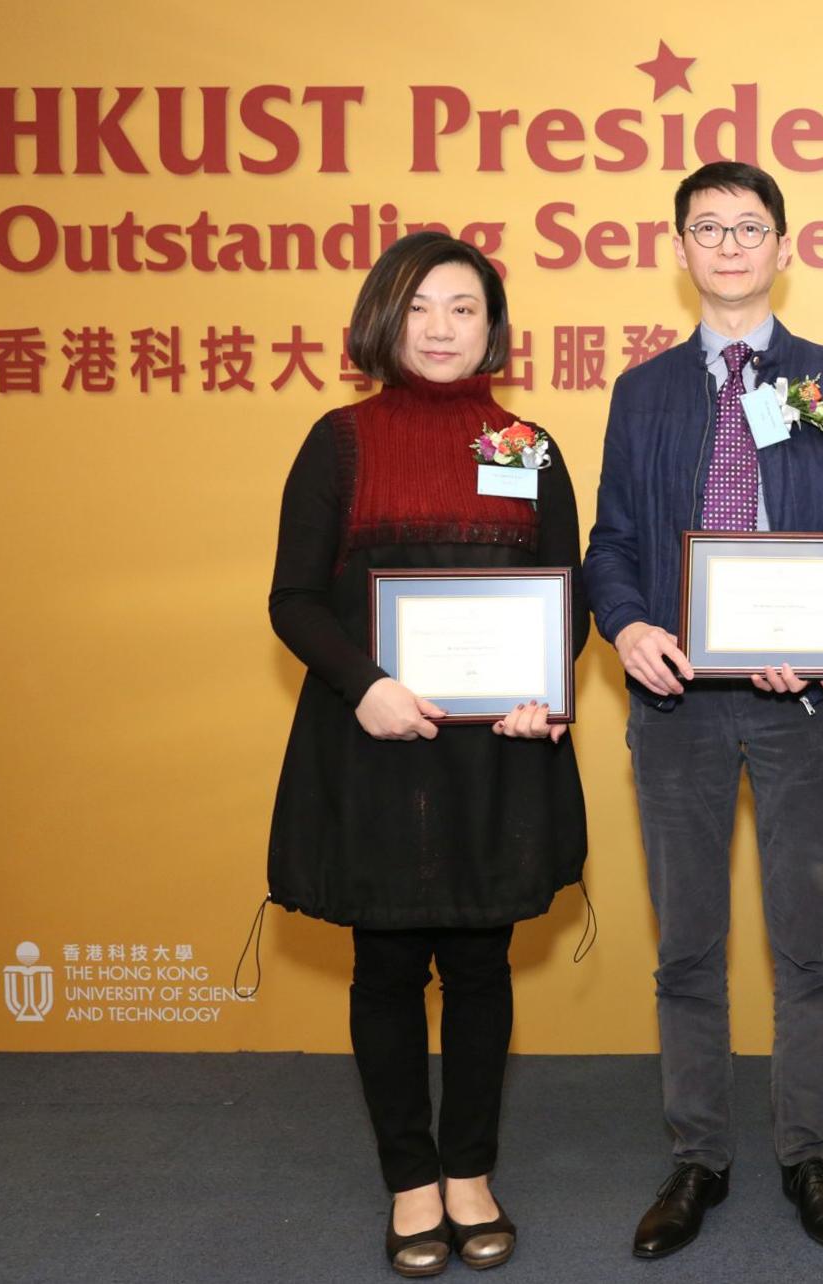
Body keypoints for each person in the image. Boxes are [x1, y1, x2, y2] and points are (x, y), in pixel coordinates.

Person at [585, 161, 823, 1258]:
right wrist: (626, 628)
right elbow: (611, 542)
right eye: (707, 228)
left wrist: (810, 639)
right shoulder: (643, 393)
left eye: (748, 226)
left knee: (804, 947)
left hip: (800, 702)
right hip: (676, 703)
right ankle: (698, 1157)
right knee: (688, 948)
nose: (728, 244)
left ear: (782, 246)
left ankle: (807, 1154)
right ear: (679, 250)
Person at [267, 230, 589, 1276]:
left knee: (482, 963)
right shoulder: (339, 441)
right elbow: (295, 598)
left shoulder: (526, 446)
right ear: (382, 321)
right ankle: (410, 1180)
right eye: (419, 308)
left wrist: (536, 692)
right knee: (389, 964)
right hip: (374, 741)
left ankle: (470, 1171)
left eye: (463, 307)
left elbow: (564, 597)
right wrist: (366, 687)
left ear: (493, 326)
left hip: (494, 754)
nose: (442, 328)